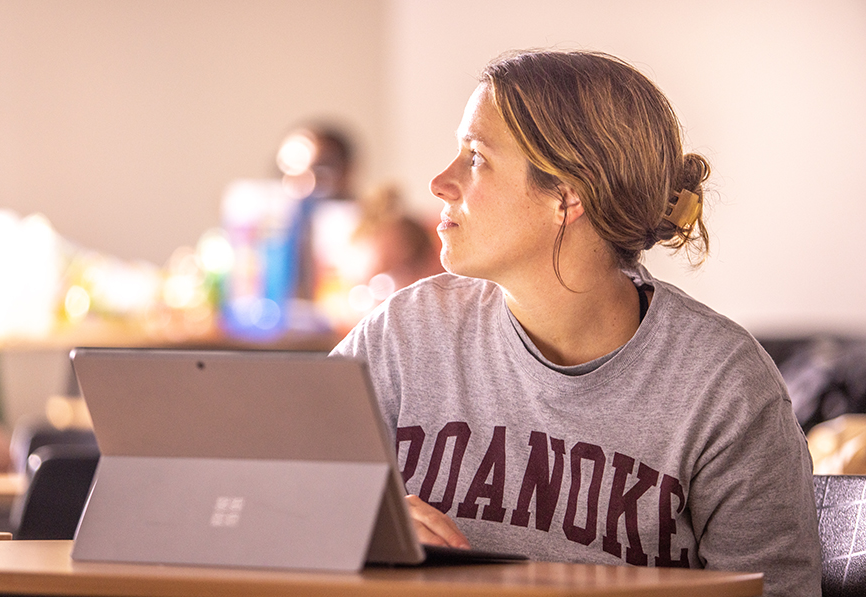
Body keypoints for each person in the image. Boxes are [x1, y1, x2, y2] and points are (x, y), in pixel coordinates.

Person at [331, 50, 821, 596]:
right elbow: (262, 497)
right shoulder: (404, 333)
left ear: (566, 196)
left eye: (475, 158)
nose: (439, 182)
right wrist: (352, 525)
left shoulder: (725, 388)